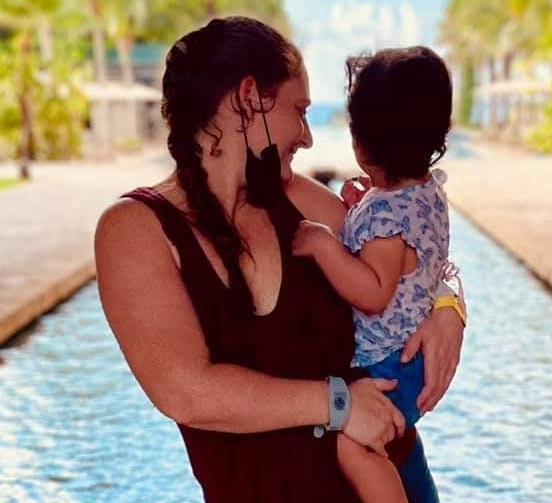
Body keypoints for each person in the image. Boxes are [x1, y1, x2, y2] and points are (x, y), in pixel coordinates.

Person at [94, 16, 465, 503]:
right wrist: (338, 404)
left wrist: (449, 308)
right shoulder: (136, 228)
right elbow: (188, 392)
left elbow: (413, 258)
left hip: (402, 479)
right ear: (249, 98)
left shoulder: (298, 201)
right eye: (299, 110)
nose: (308, 137)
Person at [292, 46, 464, 503]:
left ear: (362, 139)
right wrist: (362, 209)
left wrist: (325, 245)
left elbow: (373, 293)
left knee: (357, 445)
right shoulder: (422, 192)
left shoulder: (386, 219)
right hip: (406, 359)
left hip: (391, 363)